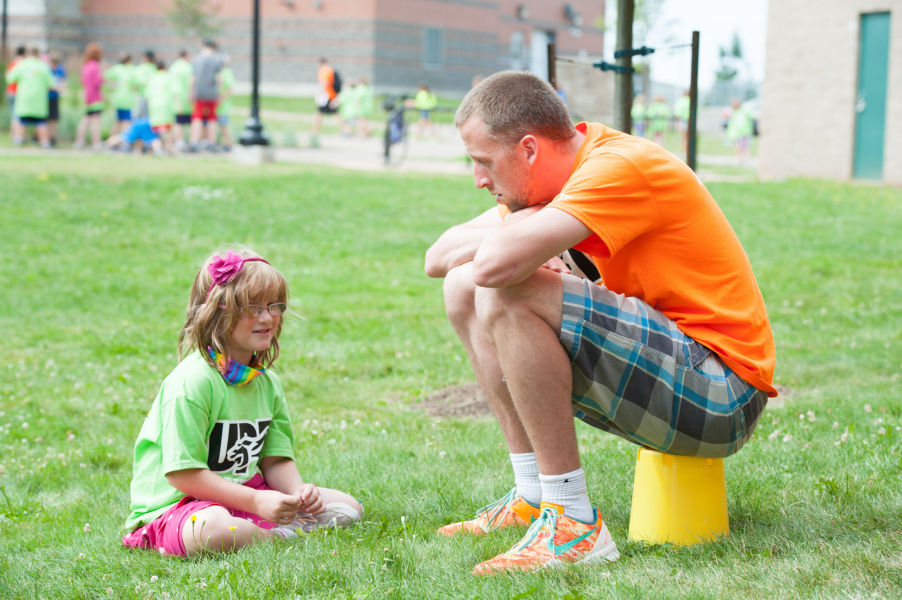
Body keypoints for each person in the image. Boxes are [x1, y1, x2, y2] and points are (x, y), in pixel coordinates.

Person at [424, 71, 776, 575]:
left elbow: (494, 268)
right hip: (678, 374)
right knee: (462, 287)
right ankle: (533, 496)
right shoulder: (552, 187)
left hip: (723, 395)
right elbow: (439, 259)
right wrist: (530, 226)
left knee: (504, 286)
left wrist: (520, 237)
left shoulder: (620, 167)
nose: (479, 180)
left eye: (483, 162)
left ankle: (573, 524)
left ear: (528, 149)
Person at [122, 248, 363, 557]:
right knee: (211, 529)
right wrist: (257, 503)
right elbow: (183, 474)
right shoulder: (192, 382)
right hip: (179, 508)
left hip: (245, 494)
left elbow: (274, 460)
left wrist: (297, 493)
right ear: (217, 312)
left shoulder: (266, 382)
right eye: (252, 307)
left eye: (274, 305)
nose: (267, 317)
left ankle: (270, 527)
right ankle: (278, 537)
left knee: (348, 507)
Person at [6, 47, 54, 148]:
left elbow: (9, 78)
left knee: (21, 121)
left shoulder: (21, 64)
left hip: (24, 100)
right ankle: (45, 143)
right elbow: (52, 83)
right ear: (38, 54)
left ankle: (18, 140)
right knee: (41, 123)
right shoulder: (43, 66)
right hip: (39, 102)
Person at [189, 38, 223, 152]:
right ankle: (211, 142)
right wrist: (218, 92)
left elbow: (193, 78)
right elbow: (219, 79)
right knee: (212, 119)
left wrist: (191, 92)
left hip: (200, 93)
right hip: (212, 93)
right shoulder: (216, 59)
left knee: (197, 118)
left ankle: (194, 142)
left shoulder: (197, 59)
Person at [74, 43, 104, 150]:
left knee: (86, 119)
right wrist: (103, 80)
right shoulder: (95, 66)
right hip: (95, 97)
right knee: (95, 121)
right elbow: (97, 82)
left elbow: (83, 81)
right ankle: (96, 143)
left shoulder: (85, 66)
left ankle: (79, 141)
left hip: (87, 95)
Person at [310, 57, 342, 148]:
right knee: (333, 113)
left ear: (321, 63)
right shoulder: (331, 70)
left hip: (327, 96)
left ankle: (314, 131)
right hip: (332, 95)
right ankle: (346, 130)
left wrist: (319, 96)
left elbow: (323, 84)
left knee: (320, 113)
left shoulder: (324, 71)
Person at [145, 60, 175, 155]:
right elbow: (175, 91)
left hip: (154, 105)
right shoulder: (168, 76)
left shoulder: (152, 77)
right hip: (166, 104)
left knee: (156, 128)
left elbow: (147, 94)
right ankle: (168, 148)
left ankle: (157, 148)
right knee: (168, 128)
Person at [168, 50, 194, 151]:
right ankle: (191, 142)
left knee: (178, 122)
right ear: (186, 56)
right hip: (187, 99)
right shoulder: (189, 67)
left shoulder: (173, 67)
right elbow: (192, 83)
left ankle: (179, 142)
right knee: (191, 122)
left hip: (175, 99)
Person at [104, 51, 135, 136]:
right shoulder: (131, 69)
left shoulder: (117, 68)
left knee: (118, 121)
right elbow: (137, 83)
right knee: (126, 121)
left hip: (118, 99)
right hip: (127, 100)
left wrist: (113, 85)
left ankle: (112, 141)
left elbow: (105, 76)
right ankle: (124, 142)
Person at [46, 51, 67, 146]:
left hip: (55, 97)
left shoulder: (61, 69)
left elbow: (63, 80)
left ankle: (53, 137)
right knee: (46, 118)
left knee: (54, 118)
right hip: (46, 97)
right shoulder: (46, 69)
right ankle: (45, 137)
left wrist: (62, 87)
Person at [726, 98, 754, 166]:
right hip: (736, 133)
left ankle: (746, 159)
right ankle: (739, 158)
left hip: (744, 132)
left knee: (745, 146)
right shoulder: (734, 112)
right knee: (737, 146)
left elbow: (752, 116)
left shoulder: (744, 111)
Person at [5, 46, 26, 131]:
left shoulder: (13, 62)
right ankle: (16, 135)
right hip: (17, 92)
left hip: (10, 91)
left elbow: (7, 75)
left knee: (14, 114)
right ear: (24, 53)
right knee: (17, 115)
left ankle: (14, 135)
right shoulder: (22, 63)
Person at [216, 54, 234, 152]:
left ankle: (228, 145)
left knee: (224, 127)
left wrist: (221, 99)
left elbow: (230, 89)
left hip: (224, 106)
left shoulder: (227, 72)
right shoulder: (219, 72)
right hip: (218, 106)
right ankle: (220, 144)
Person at [674, 89, 691, 158]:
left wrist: (677, 123)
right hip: (689, 121)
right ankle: (687, 153)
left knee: (683, 138)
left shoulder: (681, 101)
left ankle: (682, 152)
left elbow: (677, 112)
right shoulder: (691, 100)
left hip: (682, 121)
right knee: (688, 138)